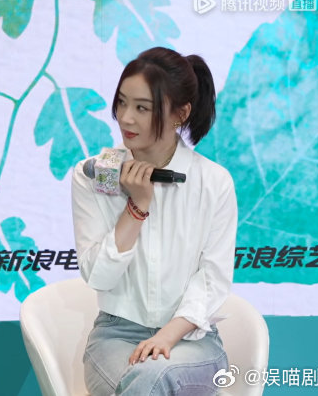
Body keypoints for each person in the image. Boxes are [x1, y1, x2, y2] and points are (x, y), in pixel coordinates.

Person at [72, 47, 237, 395]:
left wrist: (166, 336)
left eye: (142, 108)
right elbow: (99, 276)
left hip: (192, 340)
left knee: (154, 378)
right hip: (116, 336)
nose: (125, 118)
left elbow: (212, 277)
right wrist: (137, 207)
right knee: (148, 380)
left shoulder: (213, 182)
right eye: (121, 103)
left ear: (180, 114)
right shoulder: (94, 174)